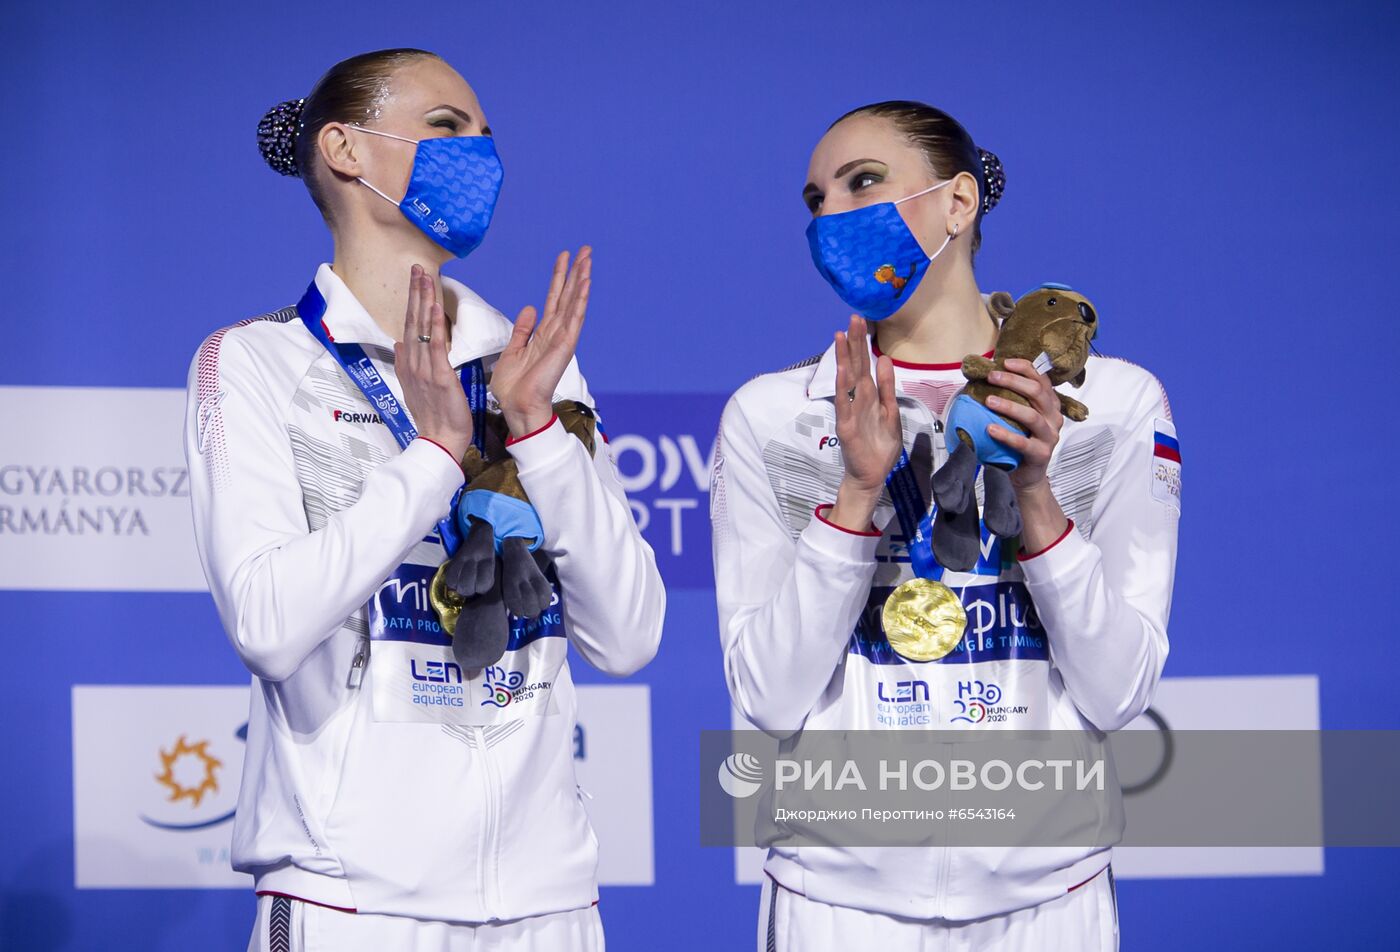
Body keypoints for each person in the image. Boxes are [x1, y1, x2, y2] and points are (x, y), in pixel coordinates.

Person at [185, 48, 664, 951]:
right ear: (345, 148)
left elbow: (630, 635)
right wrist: (436, 460)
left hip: (548, 906)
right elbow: (268, 622)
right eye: (448, 127)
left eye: (487, 137)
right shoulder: (254, 363)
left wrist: (536, 434)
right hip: (349, 902)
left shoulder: (528, 368)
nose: (479, 155)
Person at [711, 100, 1180, 950]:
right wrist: (854, 500)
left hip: (1050, 901)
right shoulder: (772, 416)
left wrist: (1036, 496)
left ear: (959, 204)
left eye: (864, 183)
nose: (832, 218)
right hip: (836, 905)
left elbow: (1120, 691)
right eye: (816, 200)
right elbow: (769, 699)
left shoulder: (1113, 406)